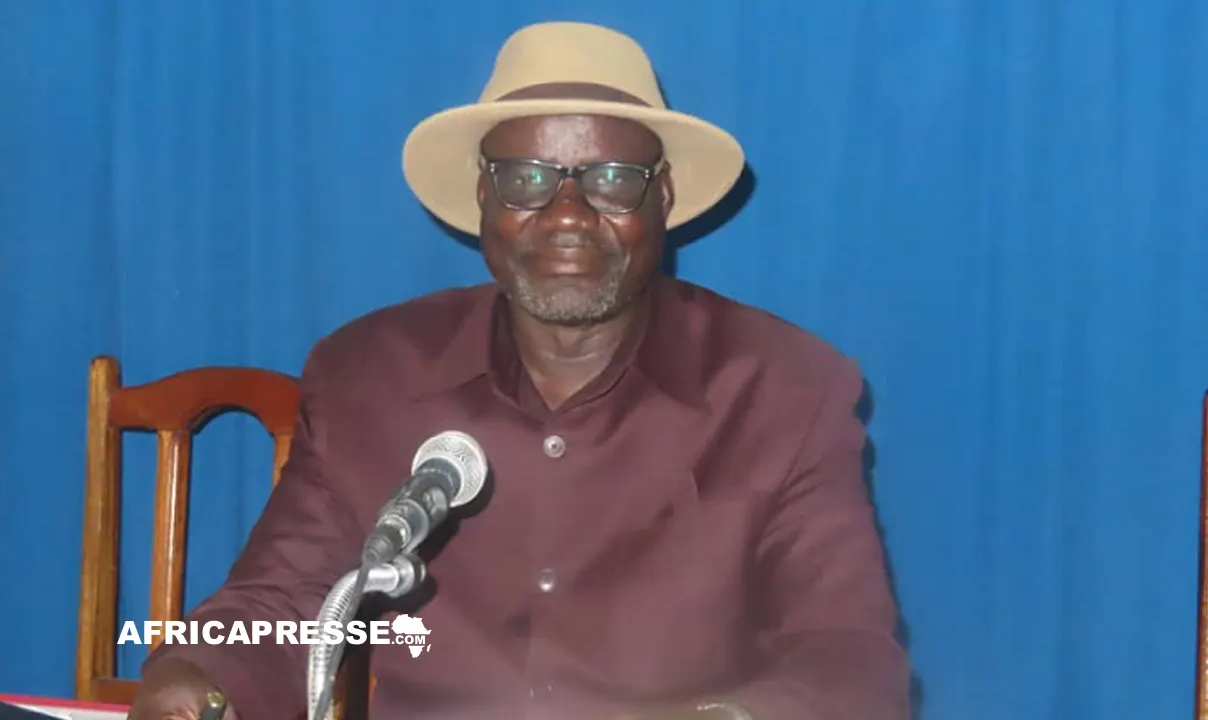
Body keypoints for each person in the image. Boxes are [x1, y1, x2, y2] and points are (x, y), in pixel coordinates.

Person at [128, 21, 911, 720]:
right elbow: (280, 604)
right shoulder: (368, 376)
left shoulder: (786, 393)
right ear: (482, 198)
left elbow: (849, 661)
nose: (567, 214)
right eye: (526, 179)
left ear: (663, 198)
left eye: (612, 179)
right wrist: (199, 679)